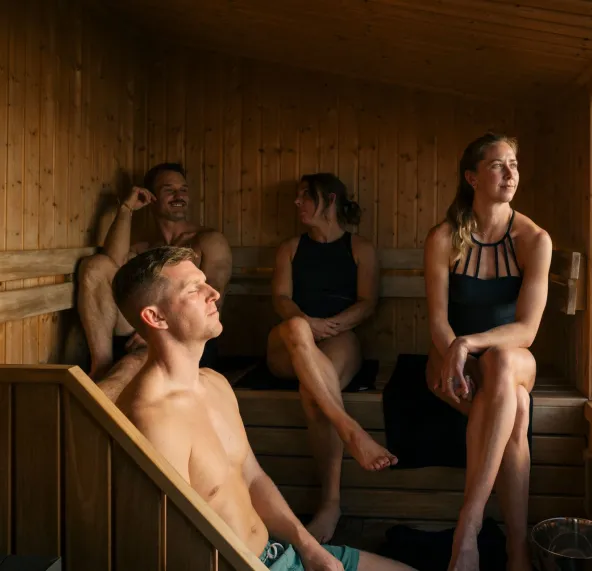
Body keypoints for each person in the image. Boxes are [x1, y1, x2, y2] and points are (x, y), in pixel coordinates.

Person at [112, 246, 413, 571]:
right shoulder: (152, 421)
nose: (213, 293)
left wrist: (309, 549)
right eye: (193, 290)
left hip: (278, 553)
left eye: (206, 282)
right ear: (155, 317)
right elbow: (176, 549)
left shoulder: (215, 384)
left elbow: (253, 478)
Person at [423, 133, 552, 571]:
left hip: (513, 357)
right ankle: (518, 552)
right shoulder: (443, 238)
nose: (510, 172)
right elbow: (439, 321)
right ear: (472, 177)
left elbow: (528, 330)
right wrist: (455, 352)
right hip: (450, 362)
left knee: (501, 364)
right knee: (514, 406)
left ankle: (469, 525)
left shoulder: (534, 239)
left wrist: (470, 342)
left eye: (514, 163)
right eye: (498, 165)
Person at [266, 173, 397, 544]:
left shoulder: (361, 248)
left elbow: (368, 302)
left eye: (305, 197)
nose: (298, 204)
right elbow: (281, 299)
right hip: (290, 340)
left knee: (313, 391)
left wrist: (332, 325)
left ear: (331, 200)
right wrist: (308, 323)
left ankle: (330, 503)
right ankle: (350, 430)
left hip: (341, 335)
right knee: (294, 330)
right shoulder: (290, 248)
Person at [77, 162, 232, 402]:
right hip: (143, 326)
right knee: (95, 265)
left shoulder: (209, 240)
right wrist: (126, 209)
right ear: (151, 197)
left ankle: (88, 408)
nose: (179, 196)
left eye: (183, 189)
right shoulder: (145, 248)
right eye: (169, 189)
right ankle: (100, 364)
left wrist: (158, 333)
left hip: (188, 334)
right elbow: (111, 268)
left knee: (132, 365)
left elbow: (215, 295)